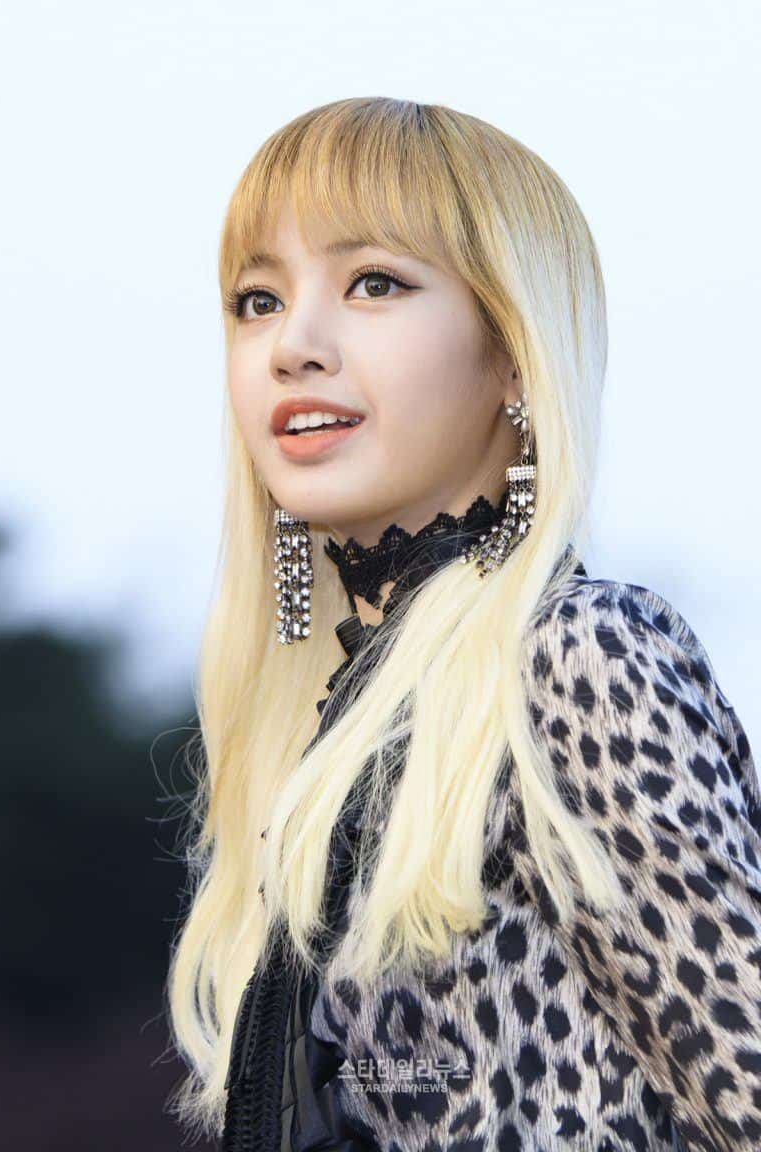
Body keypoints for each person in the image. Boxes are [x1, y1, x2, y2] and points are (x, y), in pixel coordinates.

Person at [165, 97, 761, 1152]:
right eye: (258, 300)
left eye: (374, 283)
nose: (292, 345)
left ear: (513, 352)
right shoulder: (333, 726)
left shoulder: (575, 659)